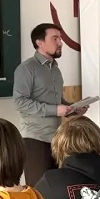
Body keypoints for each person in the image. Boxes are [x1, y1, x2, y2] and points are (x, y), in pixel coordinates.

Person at [13, 23, 87, 186]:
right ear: (40, 42)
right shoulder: (26, 69)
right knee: (39, 189)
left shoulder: (55, 69)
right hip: (35, 139)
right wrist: (55, 109)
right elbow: (20, 102)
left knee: (57, 188)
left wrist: (73, 109)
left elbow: (58, 102)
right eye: (55, 39)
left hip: (57, 139)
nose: (60, 43)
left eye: (60, 39)